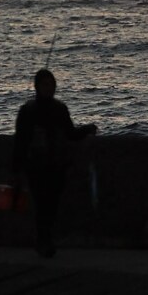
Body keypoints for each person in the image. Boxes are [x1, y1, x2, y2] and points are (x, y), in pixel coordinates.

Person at [13, 68, 97, 257]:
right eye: (45, 84)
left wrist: (87, 129)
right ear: (37, 87)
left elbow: (70, 133)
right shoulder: (28, 111)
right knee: (42, 203)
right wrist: (16, 169)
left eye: (52, 84)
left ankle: (45, 239)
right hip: (35, 166)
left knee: (51, 204)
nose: (49, 88)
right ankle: (44, 240)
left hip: (57, 165)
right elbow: (20, 142)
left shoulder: (60, 108)